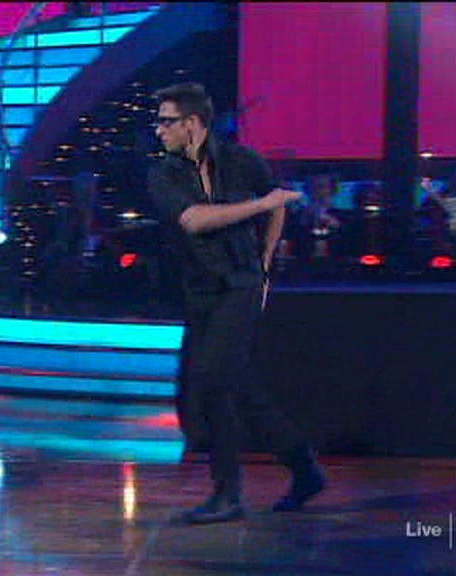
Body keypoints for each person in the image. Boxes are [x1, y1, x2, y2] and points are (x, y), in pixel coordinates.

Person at [146, 83, 326, 524]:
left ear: (192, 123)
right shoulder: (163, 174)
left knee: (212, 377)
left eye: (166, 122)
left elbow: (277, 204)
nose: (158, 130)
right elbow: (194, 220)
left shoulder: (242, 161)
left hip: (241, 283)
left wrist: (265, 261)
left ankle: (231, 492)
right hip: (199, 289)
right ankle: (299, 468)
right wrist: (261, 205)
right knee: (227, 384)